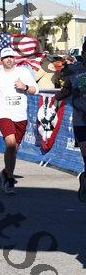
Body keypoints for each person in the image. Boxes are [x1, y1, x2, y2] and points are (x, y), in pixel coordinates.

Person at [0, 47, 38, 194]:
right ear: (1, 60)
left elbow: (35, 89)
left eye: (11, 57)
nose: (9, 59)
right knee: (11, 144)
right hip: (3, 114)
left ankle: (6, 172)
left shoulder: (23, 72)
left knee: (14, 150)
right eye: (6, 57)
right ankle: (10, 179)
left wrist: (24, 87)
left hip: (21, 116)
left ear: (14, 59)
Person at [55, 56, 86, 201]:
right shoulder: (74, 70)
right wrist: (56, 97)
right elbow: (66, 90)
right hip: (81, 120)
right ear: (84, 53)